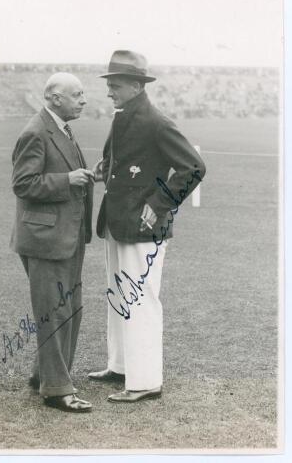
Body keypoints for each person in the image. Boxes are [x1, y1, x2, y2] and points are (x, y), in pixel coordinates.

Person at [89, 50, 206, 402]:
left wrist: (158, 205)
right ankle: (121, 367)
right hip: (117, 222)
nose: (110, 91)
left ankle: (144, 382)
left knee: (140, 299)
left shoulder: (157, 121)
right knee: (119, 295)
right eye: (109, 84)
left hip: (143, 227)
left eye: (116, 85)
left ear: (137, 86)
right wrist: (104, 167)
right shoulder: (121, 116)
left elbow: (194, 168)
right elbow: (119, 158)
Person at [10, 72, 94, 413]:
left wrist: (86, 174)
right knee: (56, 311)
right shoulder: (35, 131)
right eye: (77, 94)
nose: (84, 99)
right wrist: (67, 180)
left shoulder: (61, 128)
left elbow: (64, 174)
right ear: (54, 98)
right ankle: (57, 389)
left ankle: (44, 374)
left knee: (67, 309)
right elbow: (23, 184)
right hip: (46, 238)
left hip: (66, 235)